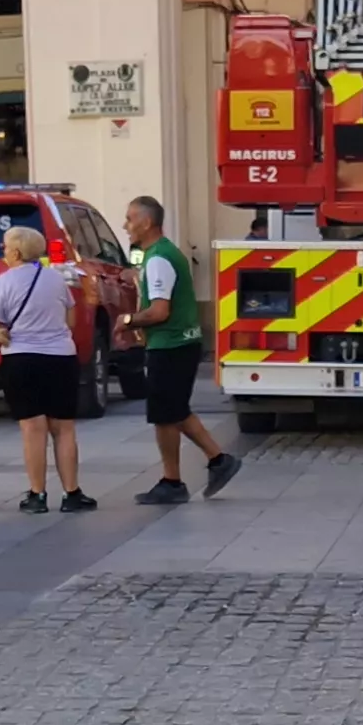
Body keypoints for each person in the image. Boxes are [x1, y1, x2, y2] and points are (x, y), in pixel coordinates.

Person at [121, 196, 238, 505]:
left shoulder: (158, 258)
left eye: (130, 219)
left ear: (147, 223)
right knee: (175, 411)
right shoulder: (163, 254)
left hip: (170, 345)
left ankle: (173, 481)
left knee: (165, 415)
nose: (126, 226)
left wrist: (128, 320)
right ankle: (218, 460)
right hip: (181, 342)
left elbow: (159, 311)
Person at [0, 224, 93, 513]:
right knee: (64, 428)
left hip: (21, 360)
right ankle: (72, 493)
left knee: (33, 428)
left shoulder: (4, 282)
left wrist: (0, 333)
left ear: (16, 251)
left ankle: (37, 495)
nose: (3, 251)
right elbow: (70, 319)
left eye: (4, 246)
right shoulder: (56, 280)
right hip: (60, 359)